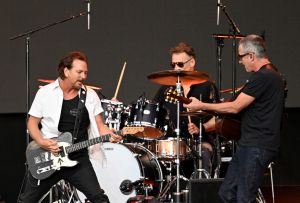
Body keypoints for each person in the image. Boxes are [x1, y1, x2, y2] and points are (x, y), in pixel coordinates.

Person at [184, 35, 285, 203]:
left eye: (241, 57)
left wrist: (201, 105)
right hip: (249, 145)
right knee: (227, 193)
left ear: (251, 56)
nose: (240, 61)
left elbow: (234, 107)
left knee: (244, 198)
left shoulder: (264, 76)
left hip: (257, 146)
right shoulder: (267, 77)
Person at [18, 51, 122, 203]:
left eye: (85, 72)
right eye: (79, 72)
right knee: (26, 201)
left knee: (98, 198)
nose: (84, 76)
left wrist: (111, 133)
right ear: (66, 71)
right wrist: (41, 141)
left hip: (78, 158)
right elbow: (32, 123)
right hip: (48, 157)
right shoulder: (45, 93)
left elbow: (101, 126)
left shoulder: (90, 95)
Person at [154, 42, 219, 177]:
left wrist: (202, 128)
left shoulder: (207, 86)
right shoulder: (167, 88)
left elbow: (218, 118)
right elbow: (153, 112)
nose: (176, 68)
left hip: (200, 142)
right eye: (173, 65)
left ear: (192, 62)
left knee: (203, 154)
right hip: (172, 145)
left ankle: (201, 194)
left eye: (180, 64)